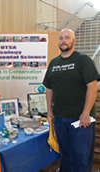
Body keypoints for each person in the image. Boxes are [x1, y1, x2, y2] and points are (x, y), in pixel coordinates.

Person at [43, 29, 100, 172]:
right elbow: (49, 89)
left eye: (67, 38)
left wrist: (86, 113)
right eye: (61, 38)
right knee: (65, 156)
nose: (63, 41)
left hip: (80, 119)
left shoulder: (83, 60)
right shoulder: (54, 63)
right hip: (60, 119)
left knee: (81, 158)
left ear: (74, 41)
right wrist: (50, 110)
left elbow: (92, 87)